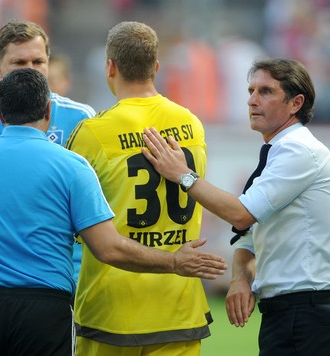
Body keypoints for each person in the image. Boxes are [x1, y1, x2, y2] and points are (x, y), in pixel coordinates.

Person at [0, 68, 227, 355]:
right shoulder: (72, 166)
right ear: (49, 112)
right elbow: (108, 248)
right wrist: (175, 262)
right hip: (44, 309)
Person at [142, 58, 330, 356]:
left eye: (266, 91)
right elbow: (248, 232)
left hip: (306, 313)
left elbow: (241, 213)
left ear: (296, 103)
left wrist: (183, 175)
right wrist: (241, 278)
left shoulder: (300, 150)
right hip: (289, 313)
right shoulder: (279, 150)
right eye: (251, 90)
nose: (252, 100)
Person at [65, 21, 211, 355]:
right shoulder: (191, 123)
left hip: (112, 312)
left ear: (110, 66)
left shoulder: (93, 132)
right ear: (156, 67)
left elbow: (69, 221)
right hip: (179, 308)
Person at [0, 19, 94, 291]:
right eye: (20, 63)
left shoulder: (82, 118)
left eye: (38, 62)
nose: (31, 71)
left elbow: (91, 204)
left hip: (66, 280)